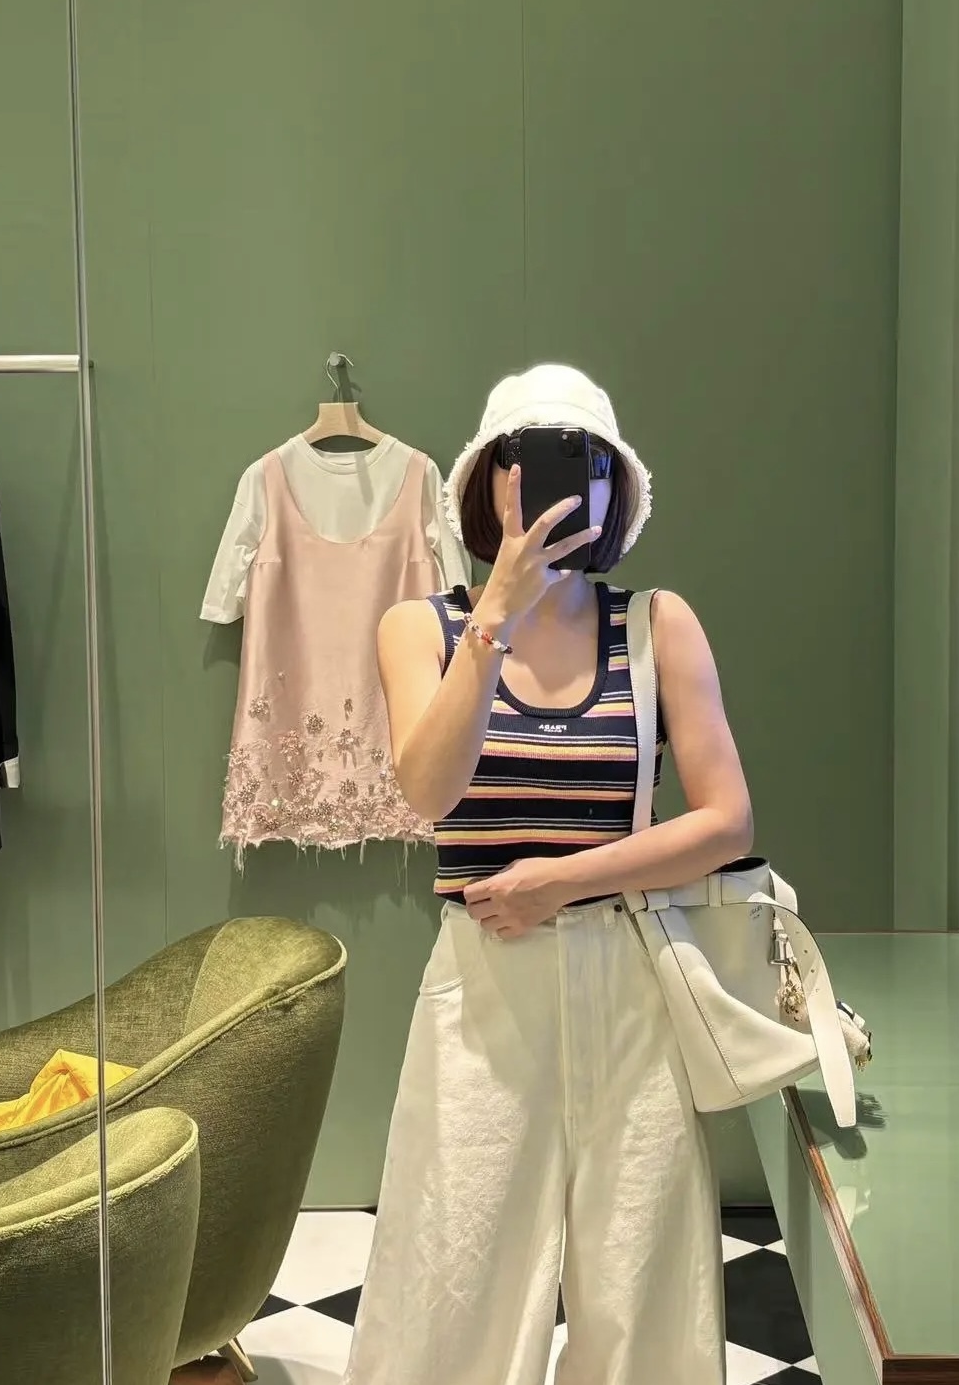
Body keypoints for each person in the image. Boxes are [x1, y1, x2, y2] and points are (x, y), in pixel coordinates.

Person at [344, 364, 755, 1385]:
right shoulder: (420, 627)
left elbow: (726, 821)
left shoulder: (656, 624)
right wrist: (493, 615)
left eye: (593, 466)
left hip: (630, 988)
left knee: (644, 1298)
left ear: (619, 491)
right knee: (454, 1286)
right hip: (484, 993)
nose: (570, 486)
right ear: (489, 482)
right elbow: (429, 790)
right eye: (530, 460)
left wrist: (562, 881)